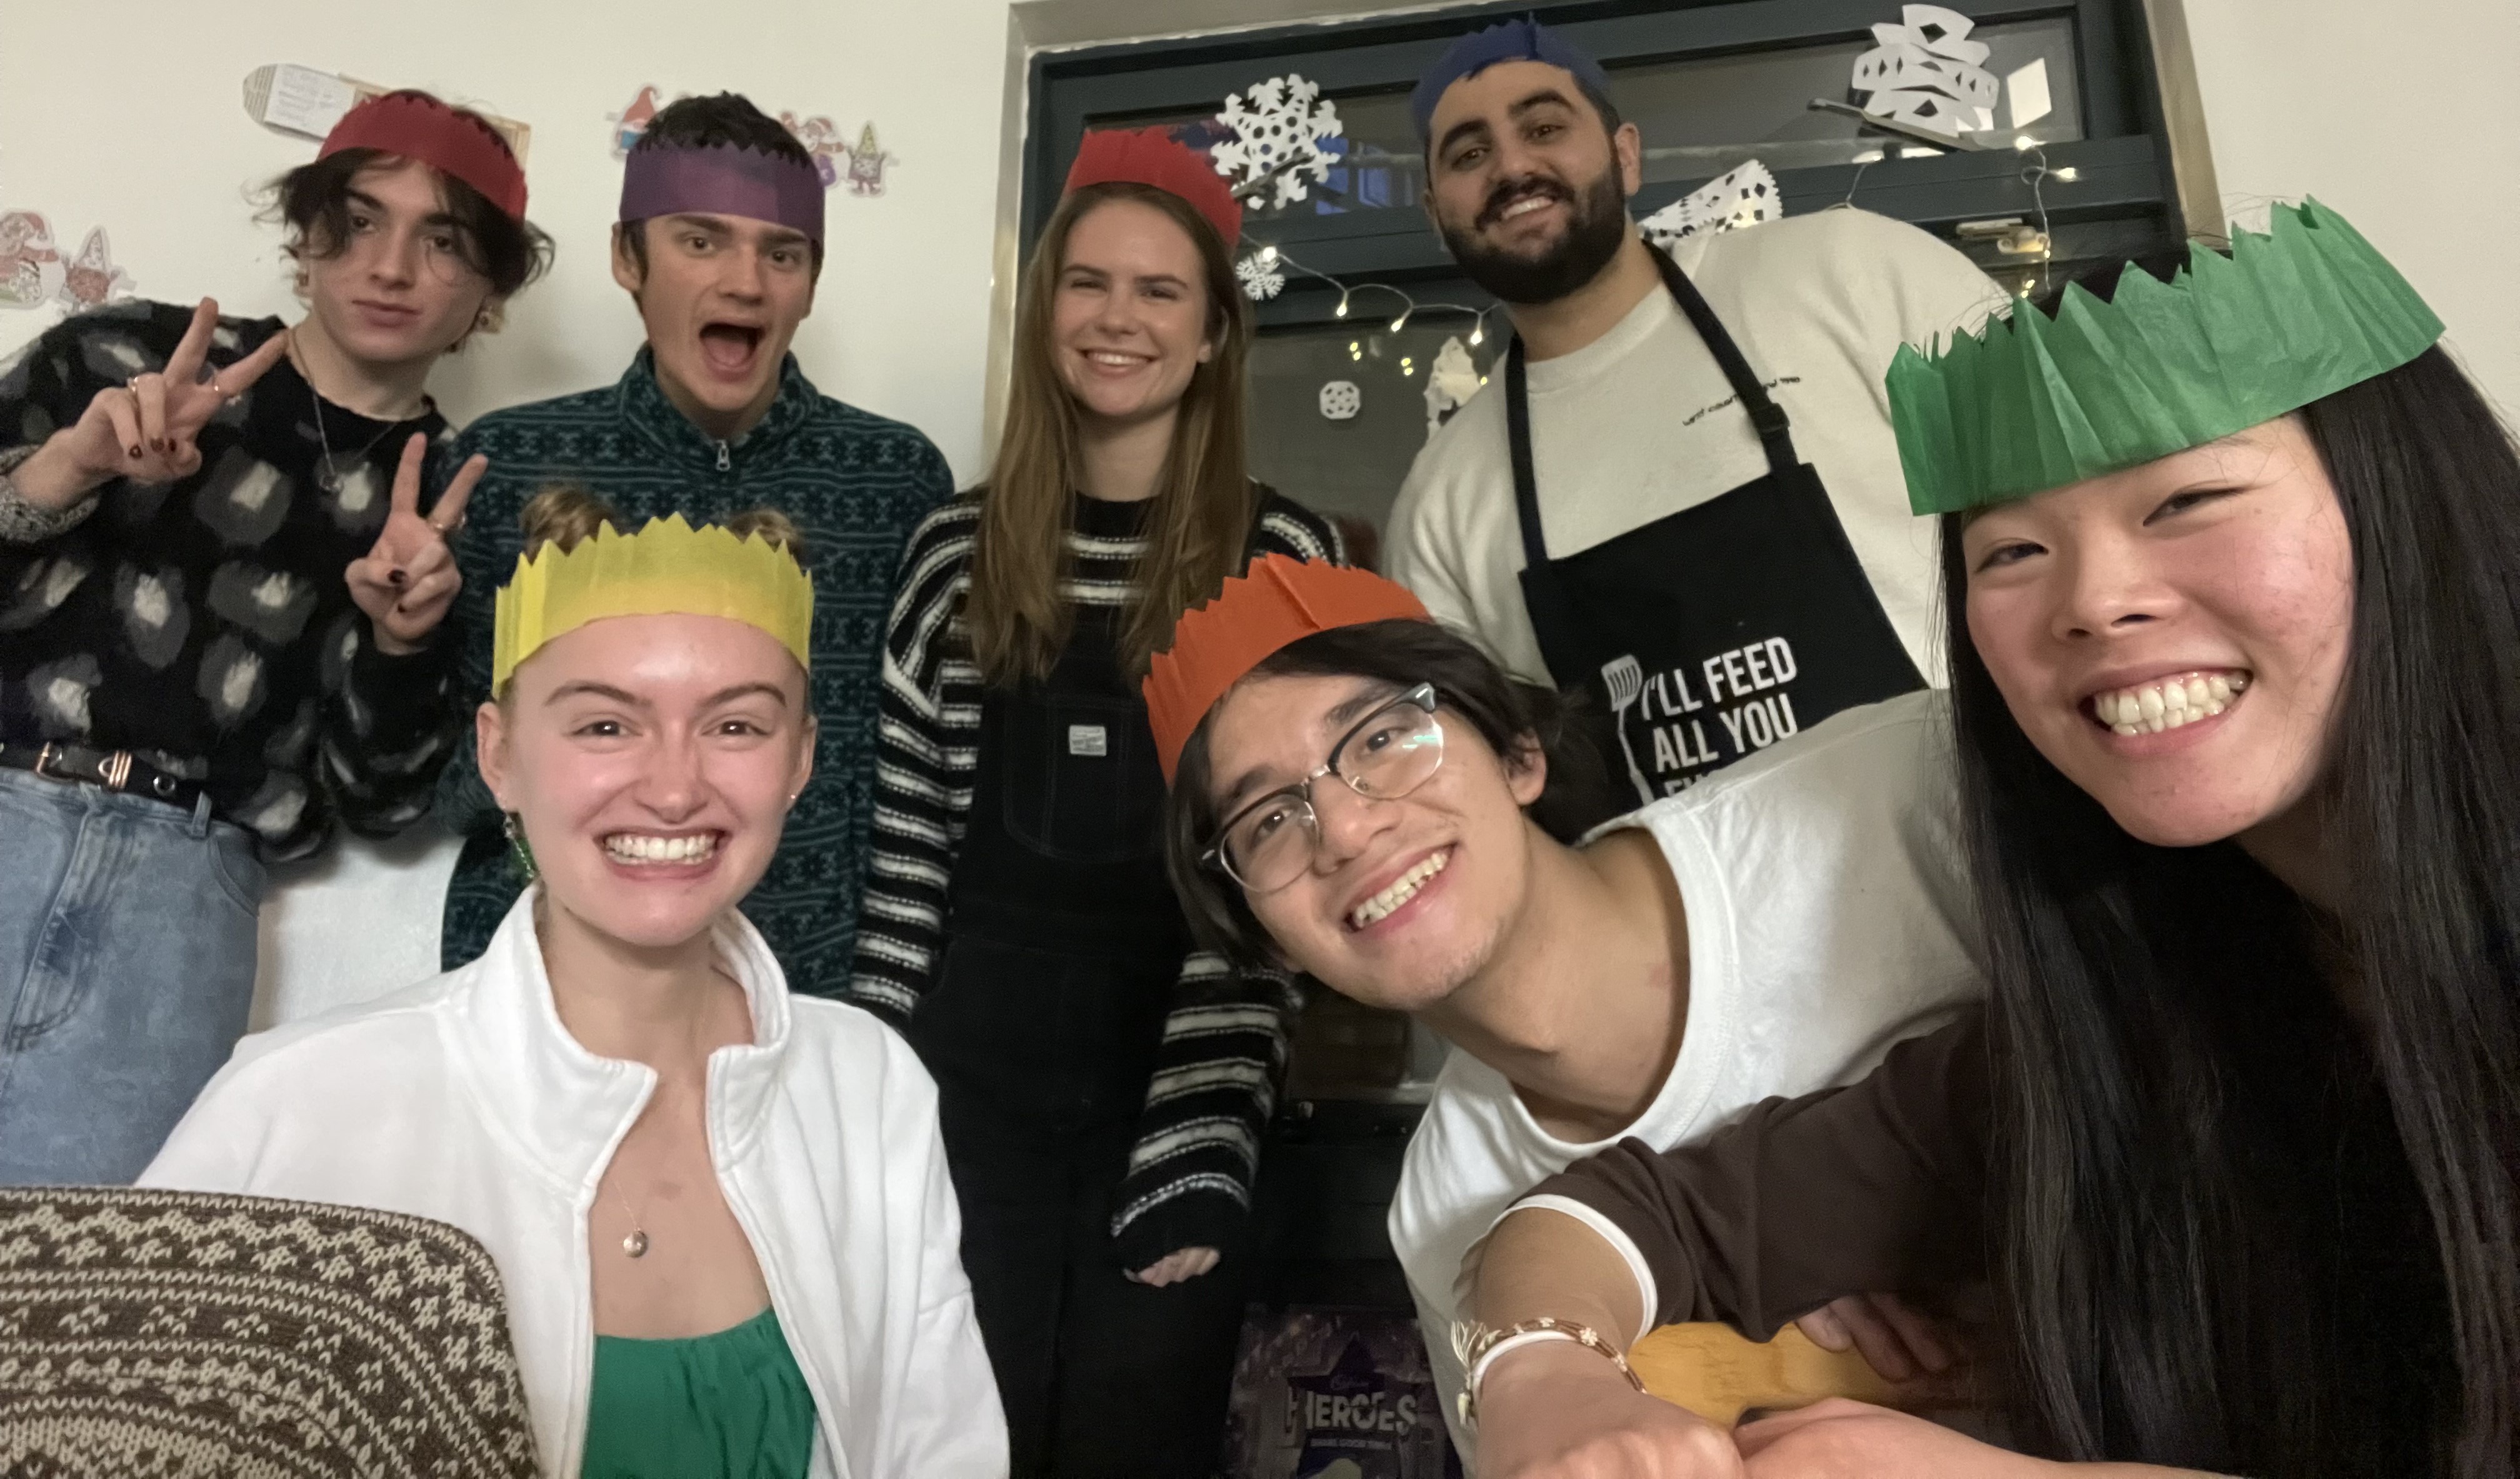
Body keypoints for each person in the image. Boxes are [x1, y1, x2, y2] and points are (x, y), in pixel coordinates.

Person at [1461, 201, 2520, 1478]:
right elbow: (1621, 1211)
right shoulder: (2134, 1020)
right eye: (2012, 548)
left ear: (2403, 503)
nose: (2094, 600)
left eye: (2189, 497)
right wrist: (1543, 1377)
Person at [144, 495, 1006, 1478]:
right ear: (500, 755)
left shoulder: (871, 1086)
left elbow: (944, 1449)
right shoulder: (297, 1107)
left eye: (735, 724)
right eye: (606, 723)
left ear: (801, 759)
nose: (676, 788)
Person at [1146, 553, 1985, 1463]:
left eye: (1384, 738)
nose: (1346, 829)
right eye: (1267, 819)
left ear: (1518, 753)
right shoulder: (1447, 1213)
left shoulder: (1908, 796)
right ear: (1266, 941)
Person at [844, 128, 1345, 1476]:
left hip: (1171, 1077)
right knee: (959, 1438)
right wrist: (868, 1108)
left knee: (1137, 1440)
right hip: (966, 1089)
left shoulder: (1279, 560)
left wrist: (1200, 1134)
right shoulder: (955, 550)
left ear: (1214, 335)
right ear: (1046, 313)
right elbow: (904, 866)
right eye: (1088, 283)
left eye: (1159, 291)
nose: (1117, 319)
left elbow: (1283, 886)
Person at [0, 90, 544, 1185]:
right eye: (358, 220)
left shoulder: (455, 502)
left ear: (486, 295)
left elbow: (386, 804)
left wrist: (403, 639)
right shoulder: (126, 361)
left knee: (82, 1293)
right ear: (306, 238)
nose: (389, 266)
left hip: (186, 891)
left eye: (441, 241)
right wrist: (67, 472)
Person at [1388, 19, 2008, 820]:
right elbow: (1483, 797)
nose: (1513, 166)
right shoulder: (1442, 501)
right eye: (1470, 155)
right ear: (1438, 216)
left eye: (1544, 128)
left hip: (1993, 872)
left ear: (1626, 154)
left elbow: (2070, 517)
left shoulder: (1850, 272)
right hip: (1706, 939)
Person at [434, 91, 952, 994]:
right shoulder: (504, 464)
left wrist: (885, 1001)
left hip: (810, 992)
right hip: (542, 992)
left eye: (781, 252)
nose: (744, 282)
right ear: (625, 257)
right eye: (700, 240)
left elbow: (918, 787)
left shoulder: (896, 478)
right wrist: (402, 648)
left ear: (811, 283)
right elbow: (438, 789)